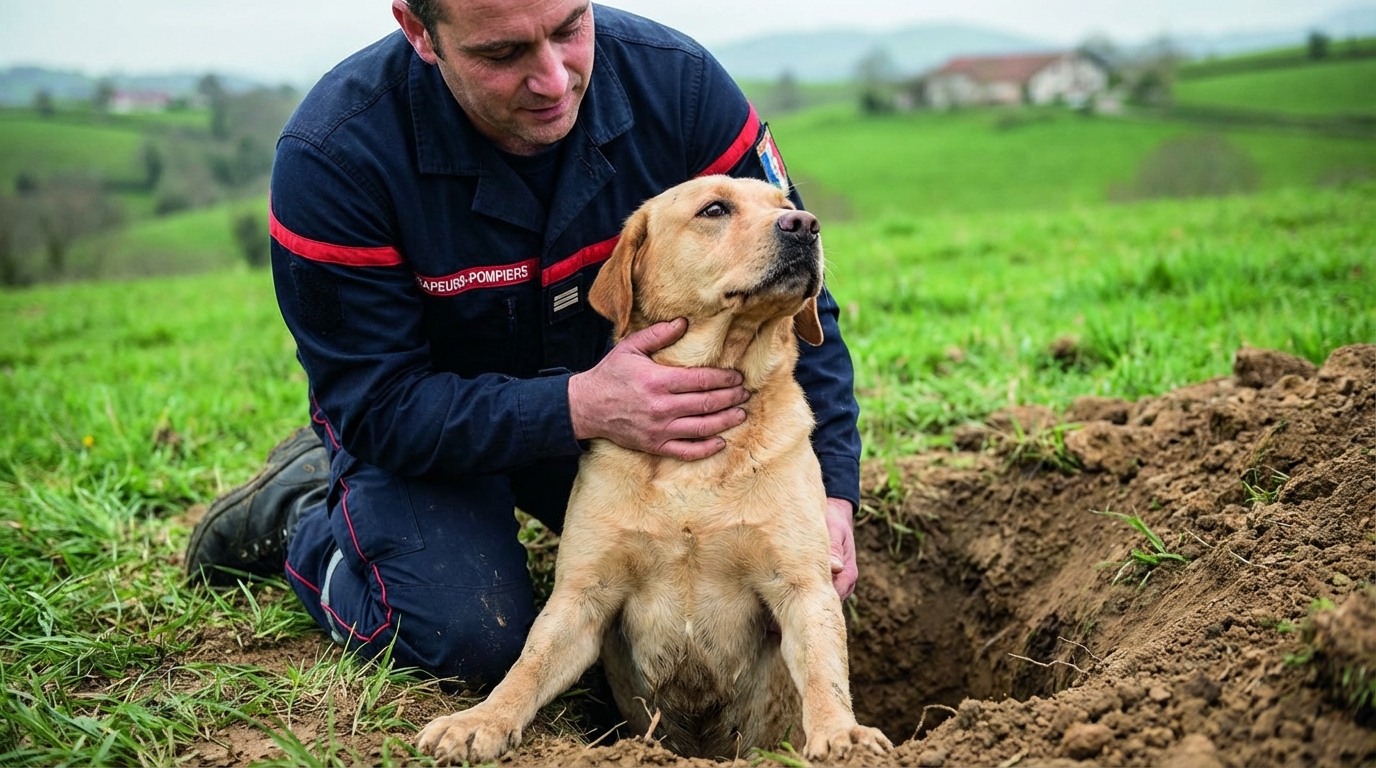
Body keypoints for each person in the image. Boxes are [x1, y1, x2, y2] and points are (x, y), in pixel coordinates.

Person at [186, 0, 864, 686]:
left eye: (570, 29)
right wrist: (580, 407)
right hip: (431, 434)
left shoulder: (680, 86)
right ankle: (303, 521)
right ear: (420, 30)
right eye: (502, 55)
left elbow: (796, 289)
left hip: (631, 417)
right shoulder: (333, 158)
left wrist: (835, 490)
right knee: (467, 641)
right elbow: (376, 405)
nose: (553, 78)